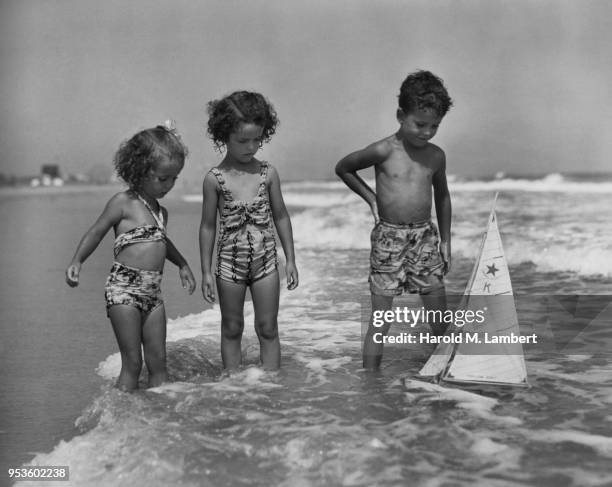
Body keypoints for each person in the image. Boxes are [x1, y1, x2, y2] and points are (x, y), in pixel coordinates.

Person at [335, 70, 453, 370]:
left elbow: (442, 196)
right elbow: (344, 168)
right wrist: (371, 198)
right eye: (420, 124)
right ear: (401, 115)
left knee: (440, 318)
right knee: (381, 321)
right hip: (389, 238)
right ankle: (371, 383)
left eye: (434, 126)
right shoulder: (383, 149)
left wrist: (447, 241)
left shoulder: (436, 156)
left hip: (425, 237)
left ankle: (447, 373)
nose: (427, 132)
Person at [65, 122, 196, 391]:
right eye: (163, 179)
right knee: (133, 363)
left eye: (174, 178)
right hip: (123, 290)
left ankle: (160, 415)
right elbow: (96, 232)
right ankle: (120, 418)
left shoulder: (161, 212)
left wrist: (182, 263)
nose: (169, 185)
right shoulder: (123, 203)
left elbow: (162, 241)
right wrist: (77, 260)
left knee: (159, 362)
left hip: (153, 294)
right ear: (139, 170)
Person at [200, 91, 298, 371]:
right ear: (223, 136)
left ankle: (270, 384)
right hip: (229, 264)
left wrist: (290, 259)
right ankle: (235, 385)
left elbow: (281, 216)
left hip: (266, 261)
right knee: (232, 327)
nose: (251, 147)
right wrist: (206, 271)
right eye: (243, 140)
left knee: (268, 327)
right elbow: (208, 226)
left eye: (257, 139)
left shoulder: (268, 173)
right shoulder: (214, 179)